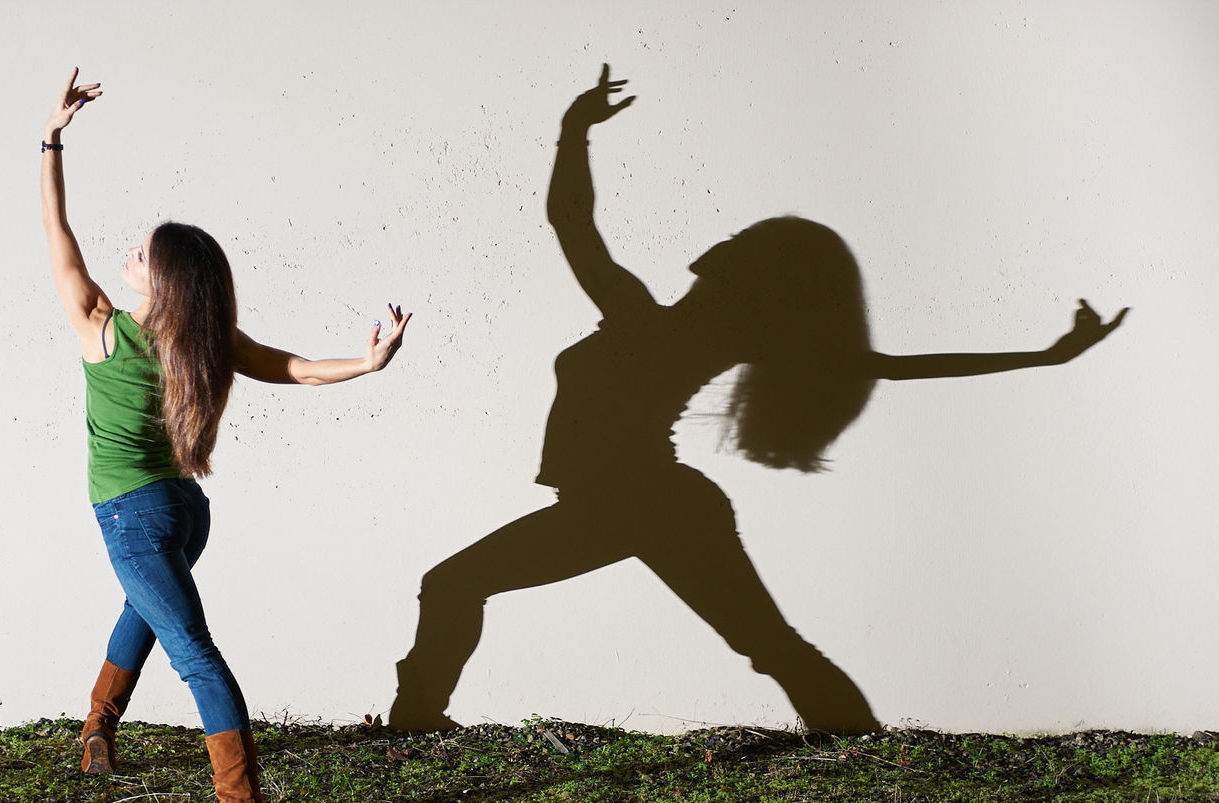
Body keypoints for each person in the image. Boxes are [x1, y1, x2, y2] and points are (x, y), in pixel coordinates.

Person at [386, 65, 1124, 732]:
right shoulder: (638, 313)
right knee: (764, 644)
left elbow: (893, 368)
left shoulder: (654, 322)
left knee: (464, 587)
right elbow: (570, 222)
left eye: (740, 242)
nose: (723, 242)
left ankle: (414, 726)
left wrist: (1046, 355)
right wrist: (574, 129)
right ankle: (414, 724)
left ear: (745, 277)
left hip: (646, 502)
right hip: (628, 504)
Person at [41, 69, 412, 803]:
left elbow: (56, 230)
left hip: (133, 518)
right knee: (146, 610)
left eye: (141, 252)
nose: (129, 253)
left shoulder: (100, 325)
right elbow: (297, 368)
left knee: (195, 656)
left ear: (161, 278)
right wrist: (367, 362)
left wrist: (52, 140)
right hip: (185, 512)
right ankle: (97, 728)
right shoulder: (204, 341)